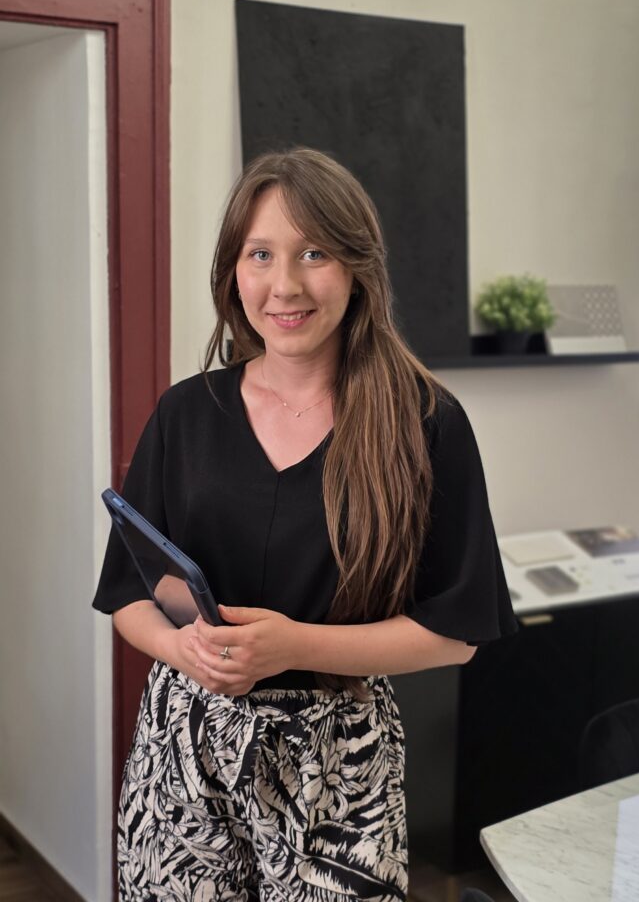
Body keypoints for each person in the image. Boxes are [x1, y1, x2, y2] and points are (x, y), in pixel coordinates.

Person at [93, 147, 517, 902]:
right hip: (185, 751)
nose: (284, 284)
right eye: (260, 254)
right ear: (233, 272)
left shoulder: (426, 424)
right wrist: (181, 648)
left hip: (339, 764)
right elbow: (129, 593)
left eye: (314, 253)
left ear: (358, 268)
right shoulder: (185, 413)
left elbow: (457, 634)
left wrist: (294, 646)